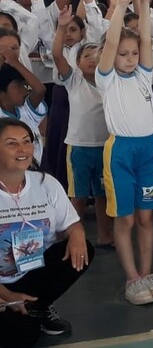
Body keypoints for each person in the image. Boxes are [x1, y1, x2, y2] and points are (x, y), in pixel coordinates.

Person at [95, 0, 153, 305]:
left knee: (146, 217)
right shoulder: (106, 79)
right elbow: (111, 44)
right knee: (124, 218)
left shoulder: (143, 73)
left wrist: (144, 2)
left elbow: (146, 35)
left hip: (150, 149)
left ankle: (147, 272)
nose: (128, 57)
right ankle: (132, 279)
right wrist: (122, 5)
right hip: (121, 151)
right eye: (123, 54)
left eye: (133, 53)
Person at [0, 119, 93, 344]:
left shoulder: (46, 183)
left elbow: (71, 224)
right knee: (21, 338)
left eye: (27, 142)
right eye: (12, 144)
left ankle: (38, 306)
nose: (23, 149)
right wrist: (6, 296)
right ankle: (22, 309)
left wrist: (78, 234)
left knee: (82, 249)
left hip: (32, 271)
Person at [51, 8, 112, 248]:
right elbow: (57, 54)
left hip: (105, 146)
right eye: (87, 56)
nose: (92, 60)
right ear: (77, 63)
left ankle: (105, 236)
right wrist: (61, 28)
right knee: (76, 197)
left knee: (102, 196)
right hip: (78, 147)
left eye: (97, 58)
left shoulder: (109, 83)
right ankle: (73, 239)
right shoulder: (73, 81)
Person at [0, 30, 47, 164]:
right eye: (18, 87)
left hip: (34, 168)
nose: (24, 90)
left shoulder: (25, 109)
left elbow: (39, 89)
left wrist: (15, 63)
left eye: (14, 48)